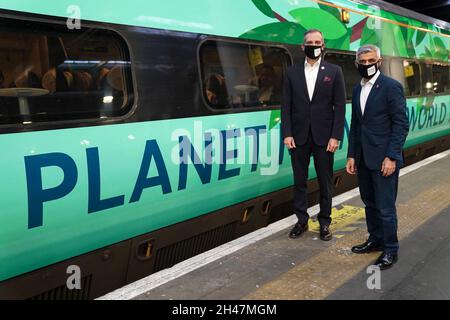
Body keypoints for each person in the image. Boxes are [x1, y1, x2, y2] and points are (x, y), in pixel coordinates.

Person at [346, 44, 409, 270]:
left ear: (379, 62)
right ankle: (375, 240)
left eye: (370, 61)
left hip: (384, 159)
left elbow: (401, 124)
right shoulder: (357, 89)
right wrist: (352, 154)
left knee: (385, 207)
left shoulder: (391, 87)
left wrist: (392, 156)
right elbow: (356, 124)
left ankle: (390, 249)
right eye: (362, 63)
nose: (367, 65)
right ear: (357, 64)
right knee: (369, 203)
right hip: (363, 158)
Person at [281, 29, 346, 241]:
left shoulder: (334, 71)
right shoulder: (292, 72)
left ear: (323, 45)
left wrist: (336, 136)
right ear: (303, 47)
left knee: (325, 182)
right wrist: (287, 133)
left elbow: (340, 106)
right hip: (298, 137)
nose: (314, 45)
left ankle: (325, 222)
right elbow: (286, 106)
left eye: (318, 41)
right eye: (310, 42)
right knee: (299, 181)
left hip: (324, 137)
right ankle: (301, 220)